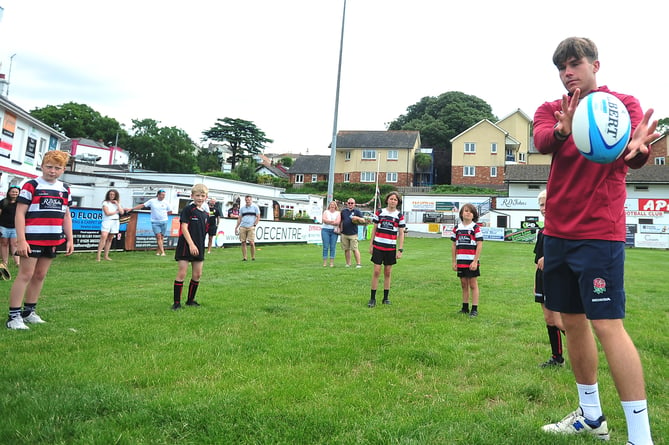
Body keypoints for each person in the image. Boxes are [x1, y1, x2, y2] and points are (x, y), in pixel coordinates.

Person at [534, 37, 657, 444]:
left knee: (607, 325)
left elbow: (633, 154)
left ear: (595, 65)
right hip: (556, 234)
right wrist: (563, 129)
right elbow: (541, 141)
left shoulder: (622, 105)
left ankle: (640, 437)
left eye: (575, 64)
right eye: (561, 68)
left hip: (598, 235)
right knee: (571, 322)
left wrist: (640, 150)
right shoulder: (551, 109)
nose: (568, 72)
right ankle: (591, 417)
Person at [6, 150, 74, 330]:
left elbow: (66, 215)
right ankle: (14, 316)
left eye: (57, 168)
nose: (52, 171)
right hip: (31, 238)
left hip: (52, 238)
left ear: (63, 169)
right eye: (49, 167)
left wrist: (69, 238)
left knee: (40, 275)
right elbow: (20, 213)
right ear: (42, 166)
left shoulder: (65, 189)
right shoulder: (31, 185)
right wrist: (21, 240)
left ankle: (29, 312)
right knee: (25, 275)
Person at [534, 190, 565, 367]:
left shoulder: (562, 228)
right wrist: (535, 285)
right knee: (549, 320)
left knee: (561, 321)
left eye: (547, 203)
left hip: (558, 279)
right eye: (541, 205)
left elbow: (569, 253)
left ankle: (582, 348)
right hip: (542, 280)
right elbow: (537, 261)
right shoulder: (542, 231)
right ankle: (557, 358)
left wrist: (550, 258)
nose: (544, 208)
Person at [172, 184, 209, 310]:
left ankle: (190, 300)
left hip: (199, 247)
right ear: (192, 196)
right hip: (186, 246)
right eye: (197, 195)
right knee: (182, 273)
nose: (200, 198)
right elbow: (184, 228)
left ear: (206, 197)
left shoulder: (205, 214)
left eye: (202, 196)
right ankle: (176, 303)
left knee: (197, 274)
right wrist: (191, 244)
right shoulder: (188, 210)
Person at [367, 191, 405, 308]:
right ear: (387, 200)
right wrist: (371, 244)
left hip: (390, 247)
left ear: (398, 202)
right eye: (391, 199)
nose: (393, 201)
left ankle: (385, 297)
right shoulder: (380, 212)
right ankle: (372, 298)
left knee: (388, 272)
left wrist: (400, 249)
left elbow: (401, 233)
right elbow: (374, 229)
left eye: (395, 200)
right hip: (378, 245)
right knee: (377, 271)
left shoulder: (399, 216)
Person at [450, 203, 483, 317]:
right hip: (461, 261)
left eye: (470, 211)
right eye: (466, 211)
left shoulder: (475, 228)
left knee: (473, 284)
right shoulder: (457, 228)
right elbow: (454, 245)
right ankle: (465, 307)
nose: (468, 213)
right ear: (461, 213)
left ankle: (474, 309)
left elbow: (479, 244)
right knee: (464, 284)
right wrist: (454, 261)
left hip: (471, 261)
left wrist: (475, 261)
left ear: (474, 215)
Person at [132, 189, 173, 256]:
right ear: (158, 195)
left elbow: (170, 211)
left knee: (161, 237)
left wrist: (164, 216)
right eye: (162, 195)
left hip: (164, 221)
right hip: (155, 222)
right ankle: (163, 252)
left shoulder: (166, 203)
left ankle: (158, 251)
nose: (163, 196)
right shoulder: (152, 201)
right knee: (158, 236)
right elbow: (143, 205)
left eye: (164, 195)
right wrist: (132, 209)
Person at [96, 189, 127, 262]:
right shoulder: (105, 203)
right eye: (110, 194)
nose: (112, 196)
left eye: (113, 194)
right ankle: (98, 256)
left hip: (115, 221)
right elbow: (107, 213)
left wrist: (117, 204)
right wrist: (116, 211)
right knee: (104, 236)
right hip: (107, 221)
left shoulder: (117, 203)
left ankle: (106, 256)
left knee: (110, 239)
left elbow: (122, 212)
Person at [0, 185, 21, 273]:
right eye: (13, 192)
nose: (14, 193)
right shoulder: (3, 202)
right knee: (4, 244)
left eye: (16, 192)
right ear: (9, 192)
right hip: (3, 226)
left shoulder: (20, 203)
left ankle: (17, 262)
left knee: (15, 244)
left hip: (15, 227)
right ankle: (5, 262)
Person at [340, 198, 365, 268]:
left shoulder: (357, 211)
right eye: (349, 203)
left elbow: (363, 220)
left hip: (353, 233)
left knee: (355, 249)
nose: (350, 204)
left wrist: (357, 218)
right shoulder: (343, 211)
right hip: (344, 233)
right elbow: (341, 221)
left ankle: (358, 264)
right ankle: (348, 263)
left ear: (354, 204)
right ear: (347, 203)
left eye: (352, 203)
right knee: (346, 249)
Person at [234, 195, 260, 261]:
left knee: (251, 242)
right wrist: (236, 227)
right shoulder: (242, 208)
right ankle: (245, 257)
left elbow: (258, 217)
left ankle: (253, 257)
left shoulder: (255, 207)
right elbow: (239, 218)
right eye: (246, 200)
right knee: (243, 242)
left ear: (251, 200)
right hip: (243, 226)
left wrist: (255, 224)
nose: (247, 201)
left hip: (251, 227)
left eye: (249, 200)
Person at [320, 201, 341, 267]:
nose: (332, 206)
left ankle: (331, 262)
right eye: (331, 204)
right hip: (325, 230)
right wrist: (332, 222)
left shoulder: (338, 213)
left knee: (333, 247)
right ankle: (325, 262)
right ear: (329, 205)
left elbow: (337, 222)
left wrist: (328, 222)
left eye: (333, 205)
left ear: (335, 206)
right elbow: (324, 220)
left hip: (334, 231)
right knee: (325, 246)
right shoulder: (326, 212)